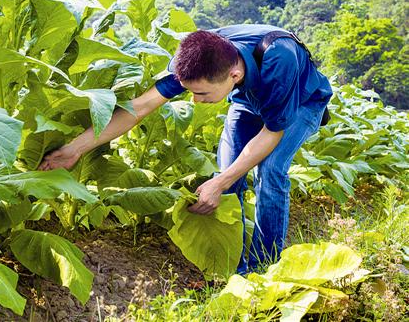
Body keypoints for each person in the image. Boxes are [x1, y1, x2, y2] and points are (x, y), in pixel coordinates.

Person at [39, 24, 332, 274]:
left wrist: (220, 181)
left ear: (233, 76)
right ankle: (235, 268)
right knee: (227, 177)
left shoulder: (279, 60)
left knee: (269, 171)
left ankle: (264, 267)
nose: (194, 101)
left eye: (201, 94)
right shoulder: (195, 57)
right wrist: (77, 147)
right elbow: (140, 107)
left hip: (301, 101)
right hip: (247, 99)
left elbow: (271, 133)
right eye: (190, 91)